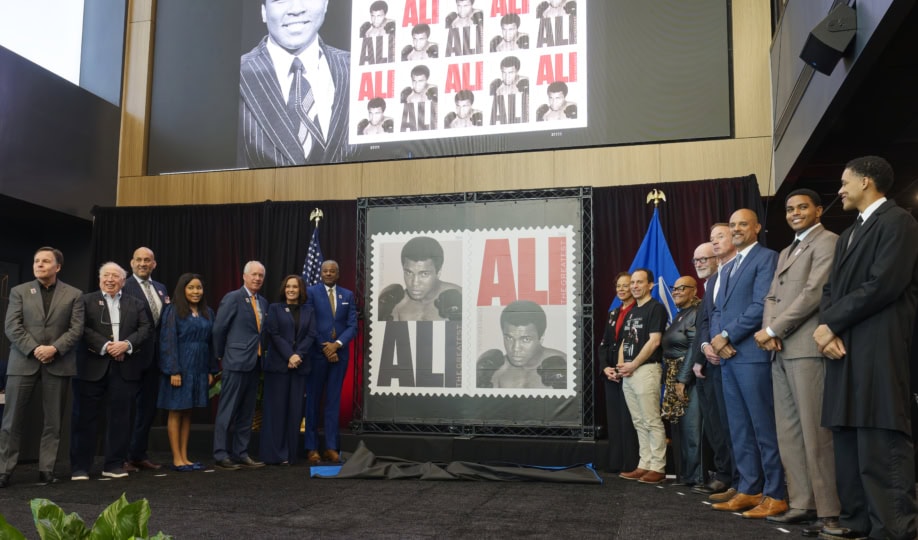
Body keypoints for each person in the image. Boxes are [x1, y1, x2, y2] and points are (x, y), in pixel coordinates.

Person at [814, 156, 918, 540]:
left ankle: (892, 528)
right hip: (844, 346)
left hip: (879, 342)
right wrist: (828, 327)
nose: (839, 189)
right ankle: (857, 521)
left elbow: (884, 284)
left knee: (880, 435)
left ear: (867, 182)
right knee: (846, 438)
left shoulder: (899, 222)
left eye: (845, 182)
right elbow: (830, 290)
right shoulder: (848, 234)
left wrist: (831, 324)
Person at [751, 189, 840, 532]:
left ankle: (829, 509)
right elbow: (771, 296)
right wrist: (768, 332)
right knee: (788, 433)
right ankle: (802, 502)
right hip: (780, 350)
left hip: (806, 349)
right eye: (790, 209)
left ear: (818, 210)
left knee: (816, 433)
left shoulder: (827, 241)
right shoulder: (788, 249)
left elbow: (814, 293)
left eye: (803, 207)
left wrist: (775, 327)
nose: (795, 213)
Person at [708, 209, 786, 518]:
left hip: (751, 356)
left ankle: (776, 493)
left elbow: (760, 305)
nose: (737, 229)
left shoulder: (766, 258)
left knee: (762, 427)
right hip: (728, 359)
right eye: (732, 225)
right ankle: (750, 489)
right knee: (739, 428)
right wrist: (716, 337)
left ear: (757, 227)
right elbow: (715, 310)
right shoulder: (726, 268)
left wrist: (726, 336)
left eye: (743, 224)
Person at [0, 247, 83, 489]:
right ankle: (4, 470)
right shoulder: (19, 291)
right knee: (11, 421)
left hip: (58, 362)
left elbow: (76, 329)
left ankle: (46, 469)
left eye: (46, 261)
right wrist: (36, 348)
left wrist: (54, 349)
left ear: (58, 267)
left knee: (53, 422)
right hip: (23, 361)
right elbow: (12, 326)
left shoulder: (74, 294)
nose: (40, 264)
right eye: (37, 261)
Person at [238, 0, 352, 168]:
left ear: (326, 4)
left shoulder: (357, 68)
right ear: (263, 11)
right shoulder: (235, 76)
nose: (296, 9)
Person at [70, 262, 151, 481]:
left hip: (124, 368)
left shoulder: (136, 303)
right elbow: (81, 328)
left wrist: (126, 345)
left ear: (123, 281)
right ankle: (80, 467)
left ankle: (114, 464)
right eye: (106, 275)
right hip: (91, 367)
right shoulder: (86, 301)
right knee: (84, 418)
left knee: (120, 419)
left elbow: (145, 329)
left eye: (115, 276)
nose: (110, 279)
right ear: (99, 279)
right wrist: (107, 346)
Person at [689, 240, 736, 499]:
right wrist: (701, 355)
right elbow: (703, 328)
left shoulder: (722, 281)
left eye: (703, 259)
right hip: (706, 362)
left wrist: (710, 349)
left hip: (723, 360)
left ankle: (731, 477)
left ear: (717, 258)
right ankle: (723, 473)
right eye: (695, 260)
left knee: (727, 425)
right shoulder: (708, 287)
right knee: (714, 426)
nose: (699, 264)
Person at [157, 273, 217, 472]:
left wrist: (210, 369)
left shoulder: (207, 311)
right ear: (183, 290)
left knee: (188, 410)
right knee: (176, 410)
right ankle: (176, 458)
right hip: (180, 367)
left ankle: (185, 456)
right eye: (191, 288)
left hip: (199, 368)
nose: (196, 292)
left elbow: (211, 343)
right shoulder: (172, 311)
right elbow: (168, 341)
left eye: (199, 288)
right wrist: (173, 370)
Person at [212, 261, 267, 470]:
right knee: (227, 410)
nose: (257, 279)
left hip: (255, 363)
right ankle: (220, 453)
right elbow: (219, 329)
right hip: (235, 363)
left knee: (247, 411)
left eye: (261, 275)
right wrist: (220, 356)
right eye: (253, 275)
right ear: (244, 276)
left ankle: (241, 452)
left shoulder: (263, 302)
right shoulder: (233, 298)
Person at [614, 269, 667, 485]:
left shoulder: (656, 308)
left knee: (651, 420)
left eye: (639, 282)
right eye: (632, 282)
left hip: (646, 370)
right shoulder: (632, 311)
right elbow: (625, 342)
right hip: (628, 373)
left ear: (650, 285)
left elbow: (654, 341)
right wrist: (621, 366)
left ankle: (658, 467)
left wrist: (634, 364)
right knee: (638, 421)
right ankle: (644, 464)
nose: (634, 286)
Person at [305, 260, 358, 464]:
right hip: (317, 354)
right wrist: (325, 347)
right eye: (325, 271)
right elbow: (309, 322)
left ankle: (331, 447)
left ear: (338, 274)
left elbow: (352, 326)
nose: (328, 273)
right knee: (313, 401)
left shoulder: (348, 295)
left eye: (332, 271)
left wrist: (336, 345)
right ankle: (311, 448)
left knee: (333, 402)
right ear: (321, 273)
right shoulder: (310, 292)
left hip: (340, 354)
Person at [122, 246, 169, 472]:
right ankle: (120, 457)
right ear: (132, 263)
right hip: (131, 356)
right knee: (127, 408)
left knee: (147, 409)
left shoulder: (161, 289)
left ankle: (138, 454)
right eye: (139, 259)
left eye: (147, 260)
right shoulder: (124, 285)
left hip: (155, 358)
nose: (143, 263)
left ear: (154, 264)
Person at [261, 275, 316, 465]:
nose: (291, 289)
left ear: (301, 290)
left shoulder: (309, 310)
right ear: (284, 289)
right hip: (278, 368)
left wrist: (298, 355)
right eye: (288, 286)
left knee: (295, 411)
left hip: (299, 368)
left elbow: (311, 335)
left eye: (295, 287)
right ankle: (275, 454)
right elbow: (273, 334)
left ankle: (291, 454)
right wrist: (289, 355)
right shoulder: (274, 308)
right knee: (276, 411)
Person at [661, 275, 703, 487]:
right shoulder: (681, 314)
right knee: (680, 428)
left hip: (687, 380)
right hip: (673, 376)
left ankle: (696, 477)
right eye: (674, 288)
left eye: (681, 288)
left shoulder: (695, 313)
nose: (676, 292)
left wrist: (682, 379)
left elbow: (694, 347)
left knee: (691, 428)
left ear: (694, 291)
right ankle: (685, 475)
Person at [598, 272, 639, 473]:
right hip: (611, 374)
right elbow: (604, 344)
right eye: (619, 286)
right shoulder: (613, 313)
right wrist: (605, 367)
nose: (622, 289)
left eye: (626, 285)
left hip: (630, 372)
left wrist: (625, 367)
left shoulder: (640, 311)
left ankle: (631, 464)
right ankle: (616, 463)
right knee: (614, 421)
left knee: (629, 421)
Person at [478, 300, 566, 389]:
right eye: (509, 338)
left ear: (541, 338)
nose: (516, 348)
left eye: (525, 339)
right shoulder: (498, 371)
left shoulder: (565, 365)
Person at [380, 236, 462, 321]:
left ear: (438, 272)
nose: (415, 283)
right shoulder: (397, 304)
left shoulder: (460, 298)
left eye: (424, 274)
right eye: (409, 273)